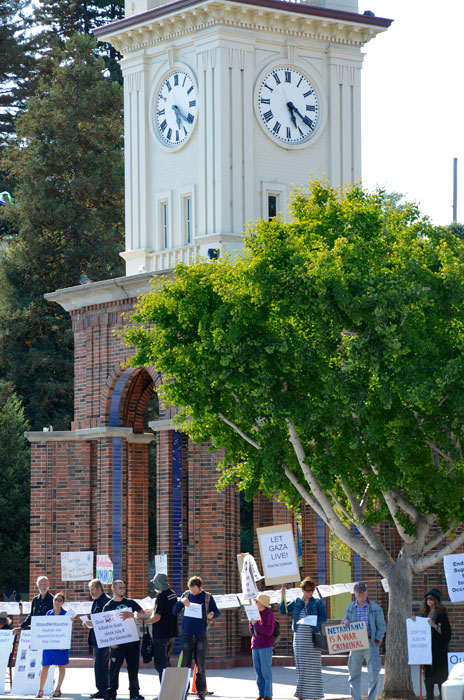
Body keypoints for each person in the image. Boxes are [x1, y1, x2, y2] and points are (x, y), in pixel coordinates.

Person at [173, 575, 220, 700]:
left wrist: (212, 614)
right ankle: (184, 692)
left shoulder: (207, 597)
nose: (192, 592)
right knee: (185, 665)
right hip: (187, 635)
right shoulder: (186, 595)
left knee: (200, 665)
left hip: (200, 635)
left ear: (199, 587)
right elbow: (174, 611)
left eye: (194, 590)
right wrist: (181, 601)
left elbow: (217, 612)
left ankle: (201, 693)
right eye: (190, 589)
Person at [280, 576, 327, 700]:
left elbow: (324, 618)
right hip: (300, 638)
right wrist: (283, 596)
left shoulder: (317, 602)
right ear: (302, 590)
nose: (309, 593)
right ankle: (301, 695)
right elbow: (283, 611)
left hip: (312, 637)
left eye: (311, 590)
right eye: (307, 590)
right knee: (301, 667)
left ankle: (316, 695)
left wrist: (314, 620)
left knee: (314, 667)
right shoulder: (296, 601)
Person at [103, 580, 150, 700]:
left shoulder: (130, 603)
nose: (122, 590)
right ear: (113, 588)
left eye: (124, 587)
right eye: (120, 588)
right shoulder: (108, 606)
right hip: (117, 642)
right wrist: (110, 642)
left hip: (132, 641)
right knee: (114, 668)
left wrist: (133, 616)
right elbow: (104, 626)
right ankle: (111, 693)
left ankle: (134, 692)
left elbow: (145, 616)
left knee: (133, 667)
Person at [342, 582, 386, 700]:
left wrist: (377, 640)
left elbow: (382, 626)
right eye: (358, 592)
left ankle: (371, 698)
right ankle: (356, 698)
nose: (361, 594)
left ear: (367, 592)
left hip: (370, 643)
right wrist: (344, 622)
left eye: (363, 592)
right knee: (353, 674)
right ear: (355, 593)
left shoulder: (375, 607)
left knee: (373, 674)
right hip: (355, 644)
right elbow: (344, 620)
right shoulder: (350, 607)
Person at [36, 591, 72, 698]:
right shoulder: (48, 613)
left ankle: (57, 689)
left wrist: (71, 622)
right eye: (55, 599)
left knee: (61, 666)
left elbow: (68, 630)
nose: (57, 602)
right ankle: (40, 690)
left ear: (63, 603)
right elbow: (44, 629)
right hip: (49, 644)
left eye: (60, 600)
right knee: (45, 666)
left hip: (61, 645)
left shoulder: (66, 614)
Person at [417, 588, 451, 700]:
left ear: (436, 600)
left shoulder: (441, 614)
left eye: (431, 598)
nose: (429, 600)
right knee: (428, 680)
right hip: (427, 651)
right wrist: (414, 622)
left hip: (439, 652)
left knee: (441, 680)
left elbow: (447, 633)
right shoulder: (424, 613)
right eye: (427, 598)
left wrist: (434, 626)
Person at [146, 573, 178, 686]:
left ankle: (165, 692)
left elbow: (157, 617)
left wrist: (145, 621)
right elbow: (165, 611)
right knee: (166, 662)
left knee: (161, 665)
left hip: (161, 635)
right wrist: (152, 611)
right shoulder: (173, 594)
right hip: (171, 633)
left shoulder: (161, 597)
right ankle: (168, 691)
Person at [84, 578, 110, 699]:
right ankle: (104, 689)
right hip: (96, 637)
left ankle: (104, 690)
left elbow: (107, 618)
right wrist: (89, 623)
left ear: (99, 589)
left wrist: (92, 622)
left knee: (100, 664)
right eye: (90, 590)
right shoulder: (96, 601)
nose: (91, 592)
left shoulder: (106, 601)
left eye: (93, 590)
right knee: (99, 664)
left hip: (104, 638)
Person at [249, 593, 275, 700]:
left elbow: (268, 631)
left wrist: (256, 624)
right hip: (255, 645)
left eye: (257, 602)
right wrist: (252, 623)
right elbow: (252, 630)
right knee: (258, 672)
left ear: (262, 604)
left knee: (265, 671)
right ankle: (261, 693)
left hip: (265, 646)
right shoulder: (254, 613)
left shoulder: (269, 614)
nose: (255, 603)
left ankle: (268, 695)